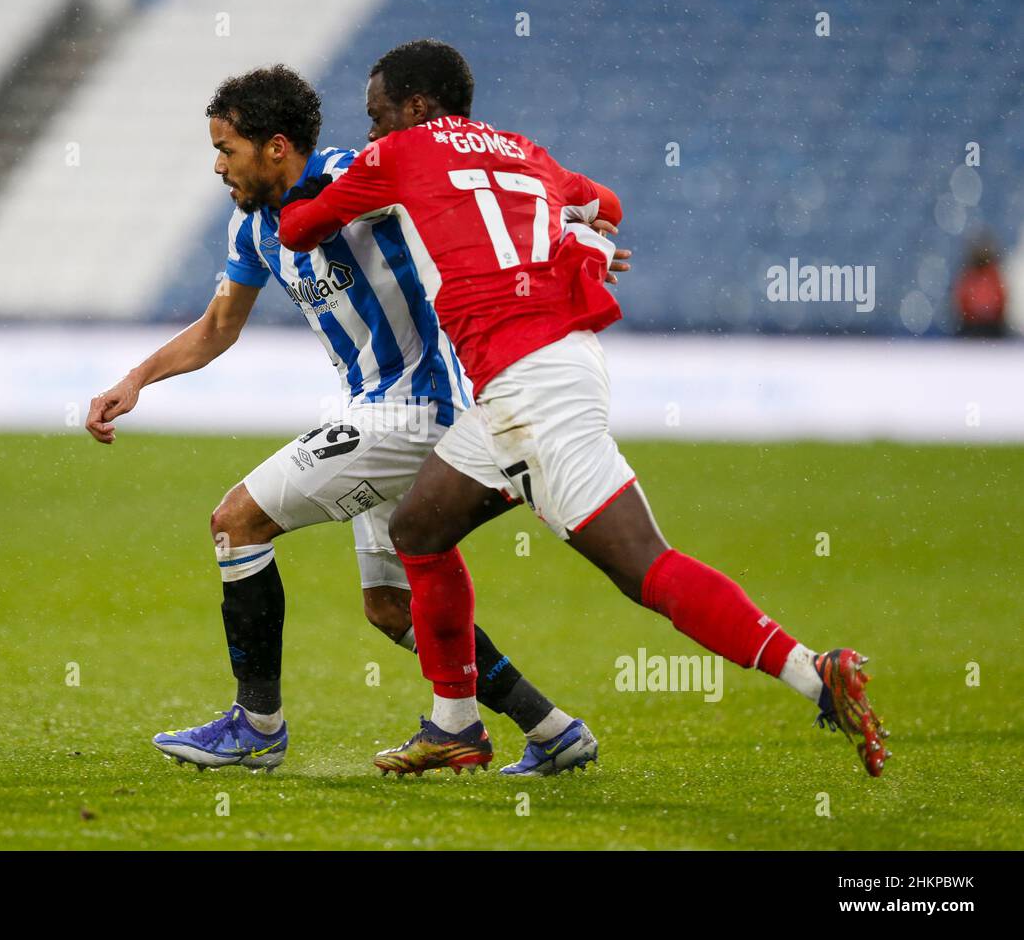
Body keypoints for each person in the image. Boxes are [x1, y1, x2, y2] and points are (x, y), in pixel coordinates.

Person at [279, 40, 890, 778]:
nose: (370, 134)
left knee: (643, 567)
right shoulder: (525, 152)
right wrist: (579, 234)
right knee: (419, 526)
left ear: (414, 107)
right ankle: (455, 728)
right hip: (539, 375)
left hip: (529, 387)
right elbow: (608, 204)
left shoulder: (399, 154)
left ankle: (810, 671)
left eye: (377, 117)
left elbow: (297, 228)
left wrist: (350, 184)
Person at [86, 65, 622, 775]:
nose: (218, 165)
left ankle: (257, 726)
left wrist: (575, 236)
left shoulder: (362, 176)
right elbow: (219, 326)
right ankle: (552, 730)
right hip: (369, 411)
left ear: (277, 146)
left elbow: (482, 196)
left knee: (236, 522)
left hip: (416, 409)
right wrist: (136, 380)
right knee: (391, 609)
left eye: (228, 149)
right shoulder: (251, 227)